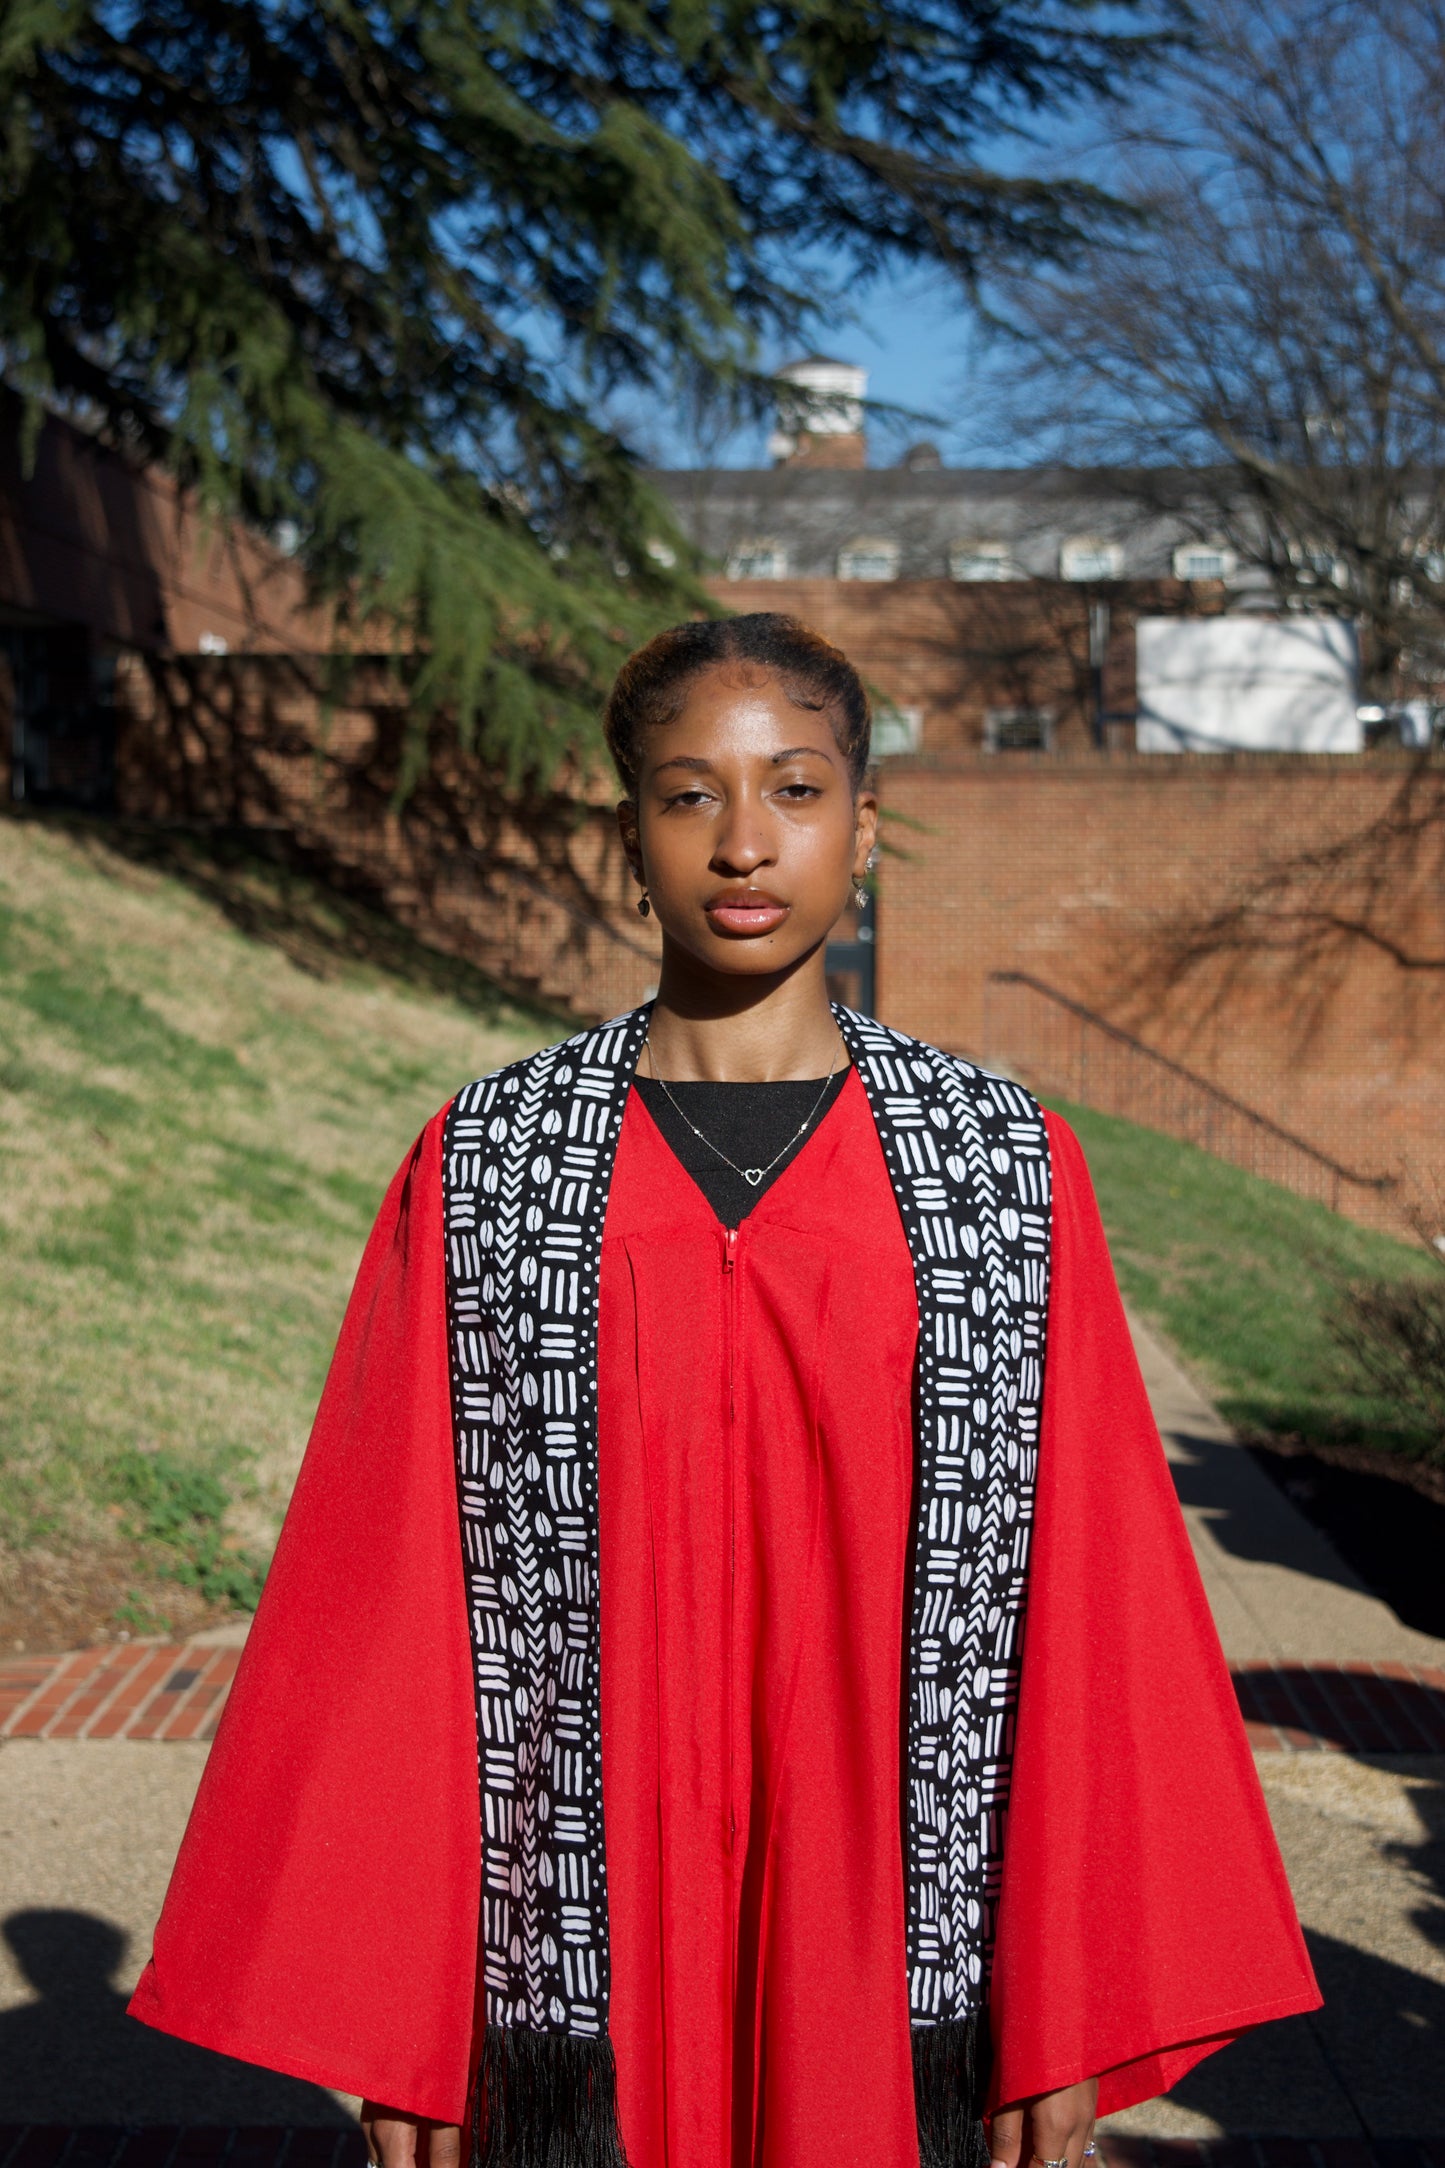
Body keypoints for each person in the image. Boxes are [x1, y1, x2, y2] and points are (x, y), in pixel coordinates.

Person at [130, 614, 1320, 2168]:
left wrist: (1067, 2000)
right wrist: (401, 2021)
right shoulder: (493, 1165)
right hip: (573, 1943)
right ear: (625, 839)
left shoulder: (994, 1172)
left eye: (796, 790)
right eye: (689, 795)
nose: (744, 843)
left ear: (864, 830)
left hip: (900, 1941)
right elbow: (392, 1602)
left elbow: (1090, 1603)